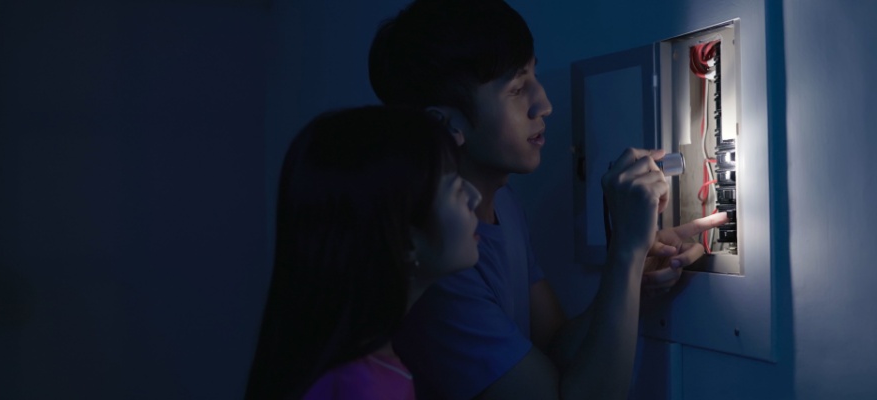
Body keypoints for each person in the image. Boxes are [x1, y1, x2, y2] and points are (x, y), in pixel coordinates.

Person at [368, 1, 729, 399]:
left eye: (534, 75)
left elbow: (555, 346)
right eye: (517, 88)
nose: (544, 104)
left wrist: (632, 279)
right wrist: (626, 251)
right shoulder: (440, 266)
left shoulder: (504, 205)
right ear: (445, 122)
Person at [244, 106, 483, 400]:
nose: (475, 196)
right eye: (457, 188)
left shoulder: (359, 367)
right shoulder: (361, 387)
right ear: (404, 240)